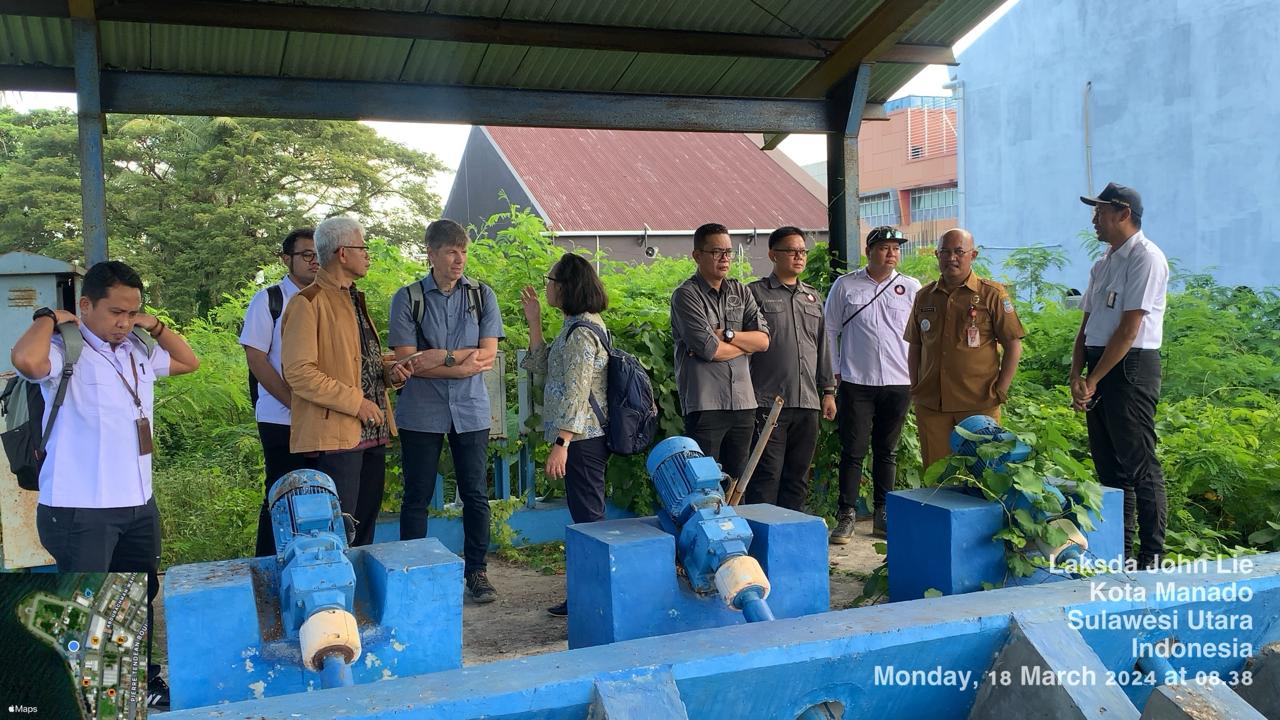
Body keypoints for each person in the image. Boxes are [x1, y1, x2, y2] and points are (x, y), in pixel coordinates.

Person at [10, 260, 200, 709]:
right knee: (88, 604)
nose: (123, 322)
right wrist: (47, 317)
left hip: (136, 502)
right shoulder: (64, 348)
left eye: (132, 312)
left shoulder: (136, 348)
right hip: (81, 507)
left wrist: (155, 325)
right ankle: (76, 694)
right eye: (115, 311)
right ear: (85, 305)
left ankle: (141, 681)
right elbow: (26, 361)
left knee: (138, 595)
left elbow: (189, 361)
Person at [388, 219, 503, 604]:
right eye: (451, 251)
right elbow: (408, 362)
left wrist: (437, 357)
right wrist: (458, 359)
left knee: (475, 493)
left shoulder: (482, 295)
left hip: (470, 409)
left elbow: (487, 356)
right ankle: (414, 574)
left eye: (464, 251)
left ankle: (477, 572)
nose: (459, 259)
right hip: (421, 411)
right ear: (431, 253)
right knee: (417, 495)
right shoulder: (408, 298)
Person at [280, 216, 407, 548]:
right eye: (362, 247)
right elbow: (299, 373)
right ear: (341, 253)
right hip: (335, 437)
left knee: (364, 529)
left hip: (372, 432)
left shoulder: (353, 298)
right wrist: (357, 403)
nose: (368, 254)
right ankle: (333, 599)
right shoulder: (307, 303)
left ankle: (357, 598)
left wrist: (388, 373)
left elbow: (355, 361)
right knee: (334, 532)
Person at [1072, 182, 1169, 569]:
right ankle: (1121, 552)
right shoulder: (1102, 263)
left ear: (1123, 213)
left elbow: (1129, 329)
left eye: (1100, 212)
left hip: (1130, 367)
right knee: (1109, 467)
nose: (1094, 219)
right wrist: (1076, 374)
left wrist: (1093, 379)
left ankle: (1152, 555)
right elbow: (1086, 325)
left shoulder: (1147, 258)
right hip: (1098, 364)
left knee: (1139, 463)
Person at [520, 253, 611, 617]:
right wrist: (535, 323)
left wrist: (562, 444)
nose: (547, 285)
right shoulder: (576, 326)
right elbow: (543, 366)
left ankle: (593, 599)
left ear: (565, 285)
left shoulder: (580, 333)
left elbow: (576, 391)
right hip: (582, 437)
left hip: (583, 439)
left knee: (588, 519)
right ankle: (586, 595)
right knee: (585, 516)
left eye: (551, 279)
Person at [825, 226, 921, 541]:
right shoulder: (845, 286)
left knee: (887, 450)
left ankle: (883, 513)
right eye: (884, 247)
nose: (891, 253)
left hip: (899, 381)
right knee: (853, 451)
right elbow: (828, 331)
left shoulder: (911, 287)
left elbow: (921, 337)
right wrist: (834, 373)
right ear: (869, 251)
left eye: (895, 248)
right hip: (856, 381)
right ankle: (846, 514)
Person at [905, 229, 1025, 470]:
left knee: (984, 473)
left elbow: (1013, 345)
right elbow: (915, 346)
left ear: (974, 255)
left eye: (959, 251)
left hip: (978, 402)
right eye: (945, 252)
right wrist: (915, 386)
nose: (952, 258)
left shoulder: (991, 294)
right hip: (932, 403)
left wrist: (1000, 390)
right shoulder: (924, 296)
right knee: (937, 475)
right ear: (937, 255)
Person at [240, 228, 319, 557]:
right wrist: (293, 403)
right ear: (286, 259)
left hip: (321, 420)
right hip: (279, 418)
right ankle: (267, 568)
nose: (314, 261)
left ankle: (309, 566)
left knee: (316, 495)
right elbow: (256, 358)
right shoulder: (270, 300)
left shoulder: (328, 298)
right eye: (306, 255)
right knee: (280, 494)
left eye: (318, 255)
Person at [670, 223, 769, 480]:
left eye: (728, 251)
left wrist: (729, 335)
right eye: (716, 252)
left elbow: (763, 342)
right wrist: (743, 346)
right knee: (705, 484)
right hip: (706, 405)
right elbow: (709, 349)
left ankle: (735, 522)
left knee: (738, 485)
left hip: (744, 404)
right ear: (697, 255)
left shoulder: (741, 291)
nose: (725, 258)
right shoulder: (685, 296)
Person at [744, 227, 835, 510]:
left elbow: (823, 347)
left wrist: (829, 391)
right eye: (792, 250)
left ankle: (791, 538)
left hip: (807, 401)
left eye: (803, 251)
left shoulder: (812, 297)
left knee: (798, 477)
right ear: (773, 255)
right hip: (767, 402)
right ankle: (762, 541)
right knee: (766, 476)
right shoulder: (754, 293)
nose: (799, 256)